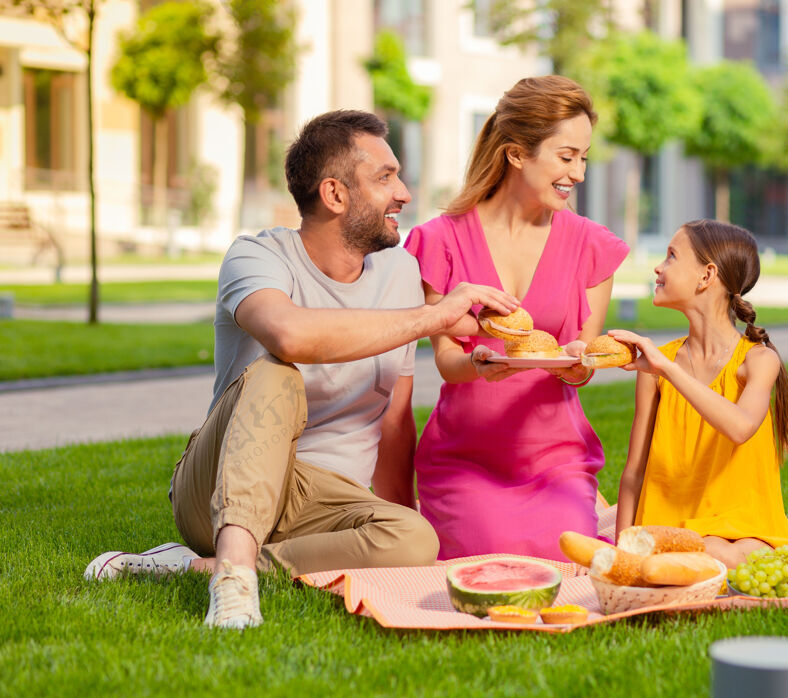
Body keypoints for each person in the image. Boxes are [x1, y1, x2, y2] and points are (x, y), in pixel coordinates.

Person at [83, 110, 519, 629]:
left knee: (416, 538)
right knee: (276, 369)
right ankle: (233, 584)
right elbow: (290, 334)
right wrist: (432, 317)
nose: (403, 193)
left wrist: (400, 525)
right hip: (219, 486)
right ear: (334, 195)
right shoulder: (256, 256)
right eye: (385, 178)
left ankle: (197, 567)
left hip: (325, 501)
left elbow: (395, 422)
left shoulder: (400, 271)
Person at [404, 76, 628, 561]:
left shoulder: (594, 245)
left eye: (584, 158)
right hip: (467, 456)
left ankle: (578, 502)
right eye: (566, 156)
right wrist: (479, 364)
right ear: (516, 154)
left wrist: (579, 362)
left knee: (566, 560)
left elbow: (580, 361)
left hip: (555, 456)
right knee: (489, 561)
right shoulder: (439, 240)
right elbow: (446, 360)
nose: (580, 173)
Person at [609, 220, 788, 569]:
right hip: (671, 523)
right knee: (692, 554)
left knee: (715, 553)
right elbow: (634, 472)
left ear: (706, 275)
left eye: (671, 256)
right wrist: (622, 554)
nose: (658, 267)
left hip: (740, 521)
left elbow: (740, 427)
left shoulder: (758, 360)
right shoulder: (660, 363)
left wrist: (668, 370)